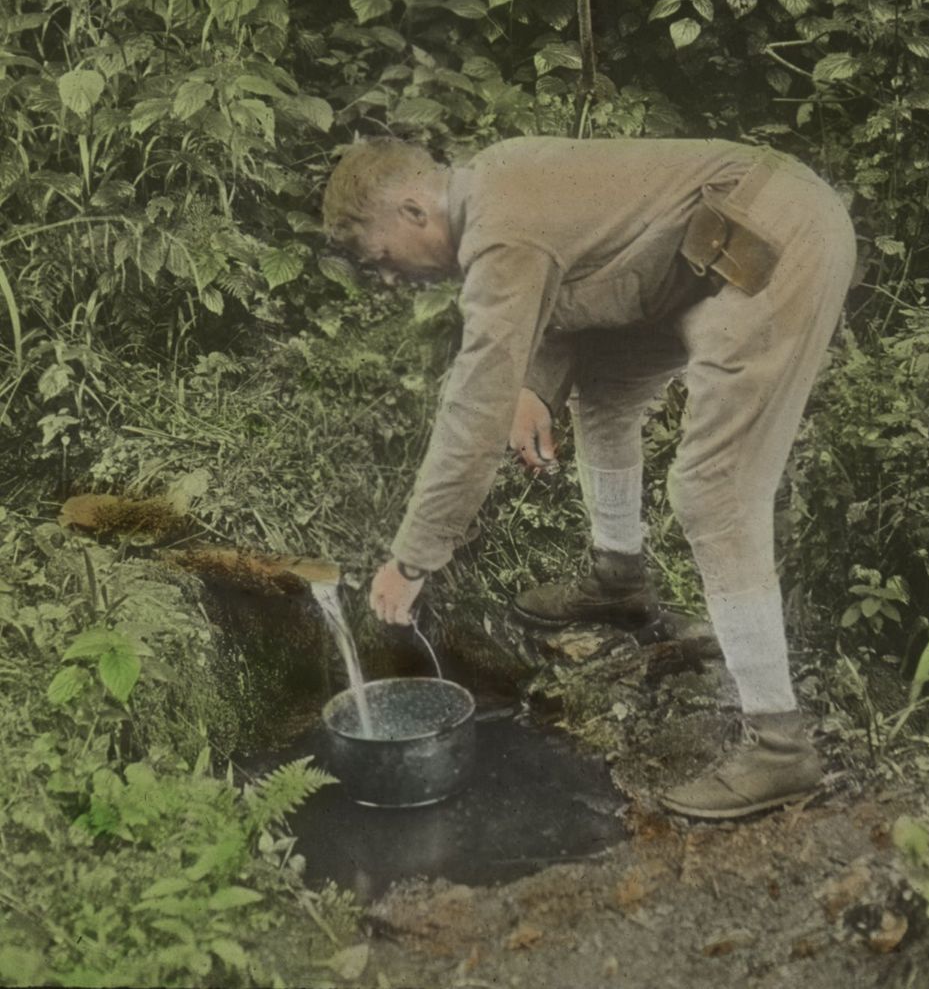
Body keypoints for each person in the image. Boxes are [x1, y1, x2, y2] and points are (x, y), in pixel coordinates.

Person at [321, 134, 857, 819]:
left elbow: (474, 409)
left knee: (713, 489)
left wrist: (412, 558)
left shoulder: (499, 229)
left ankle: (781, 746)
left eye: (382, 258)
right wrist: (537, 387)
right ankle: (619, 581)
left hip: (775, 240)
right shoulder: (495, 187)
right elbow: (580, 276)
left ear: (415, 208)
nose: (391, 279)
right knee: (604, 388)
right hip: (704, 247)